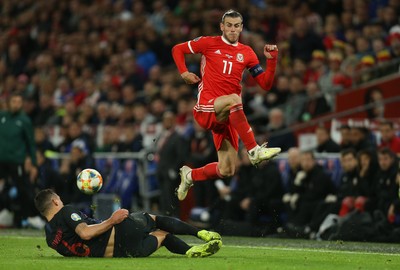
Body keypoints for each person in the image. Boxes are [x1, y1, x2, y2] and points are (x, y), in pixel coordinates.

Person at [172, 9, 281, 200]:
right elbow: (177, 49)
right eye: (229, 25)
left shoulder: (246, 52)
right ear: (222, 27)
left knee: (227, 169)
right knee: (234, 98)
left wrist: (271, 62)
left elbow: (265, 84)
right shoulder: (208, 43)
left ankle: (190, 175)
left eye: (236, 26)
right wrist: (184, 72)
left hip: (228, 114)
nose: (232, 29)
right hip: (207, 107)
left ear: (241, 28)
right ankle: (254, 150)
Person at [34, 189, 222, 258]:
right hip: (121, 232)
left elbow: (80, 243)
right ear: (55, 202)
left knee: (162, 236)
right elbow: (85, 233)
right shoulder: (66, 211)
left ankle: (190, 252)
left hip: (124, 253)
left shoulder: (50, 239)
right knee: (154, 219)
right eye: (59, 198)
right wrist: (111, 220)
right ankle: (201, 233)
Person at [0, 92, 39, 227]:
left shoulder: (24, 120)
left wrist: (34, 163)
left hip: (17, 161)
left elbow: (31, 143)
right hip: (1, 160)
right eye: (14, 101)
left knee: (22, 190)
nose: (16, 104)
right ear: (8, 103)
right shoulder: (2, 116)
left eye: (18, 101)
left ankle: (23, 218)